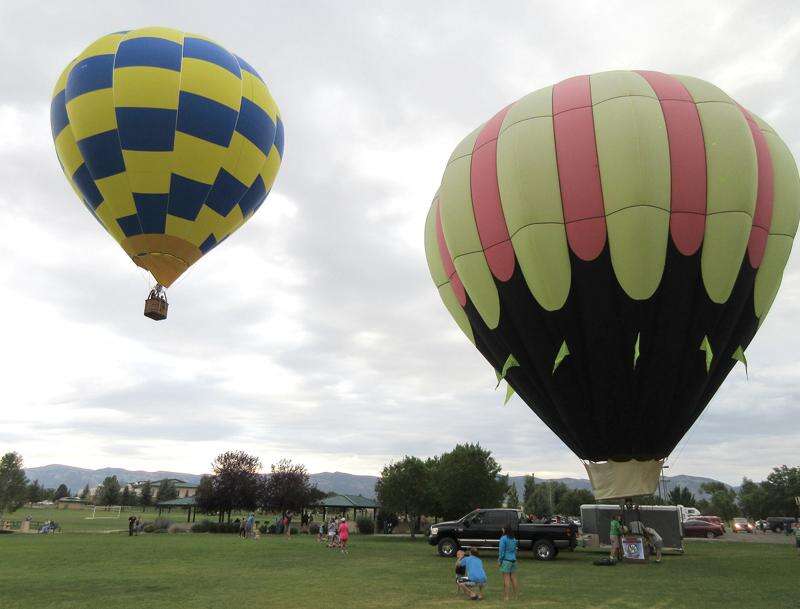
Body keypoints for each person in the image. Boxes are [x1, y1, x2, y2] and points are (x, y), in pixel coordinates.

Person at [498, 527, 519, 600]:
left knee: (506, 579)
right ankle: (516, 596)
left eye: (503, 529)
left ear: (505, 530)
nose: (502, 530)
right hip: (513, 560)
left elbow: (501, 551)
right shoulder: (513, 538)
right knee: (514, 578)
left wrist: (500, 561)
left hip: (506, 560)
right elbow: (515, 550)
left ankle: (506, 597)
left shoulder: (503, 538)